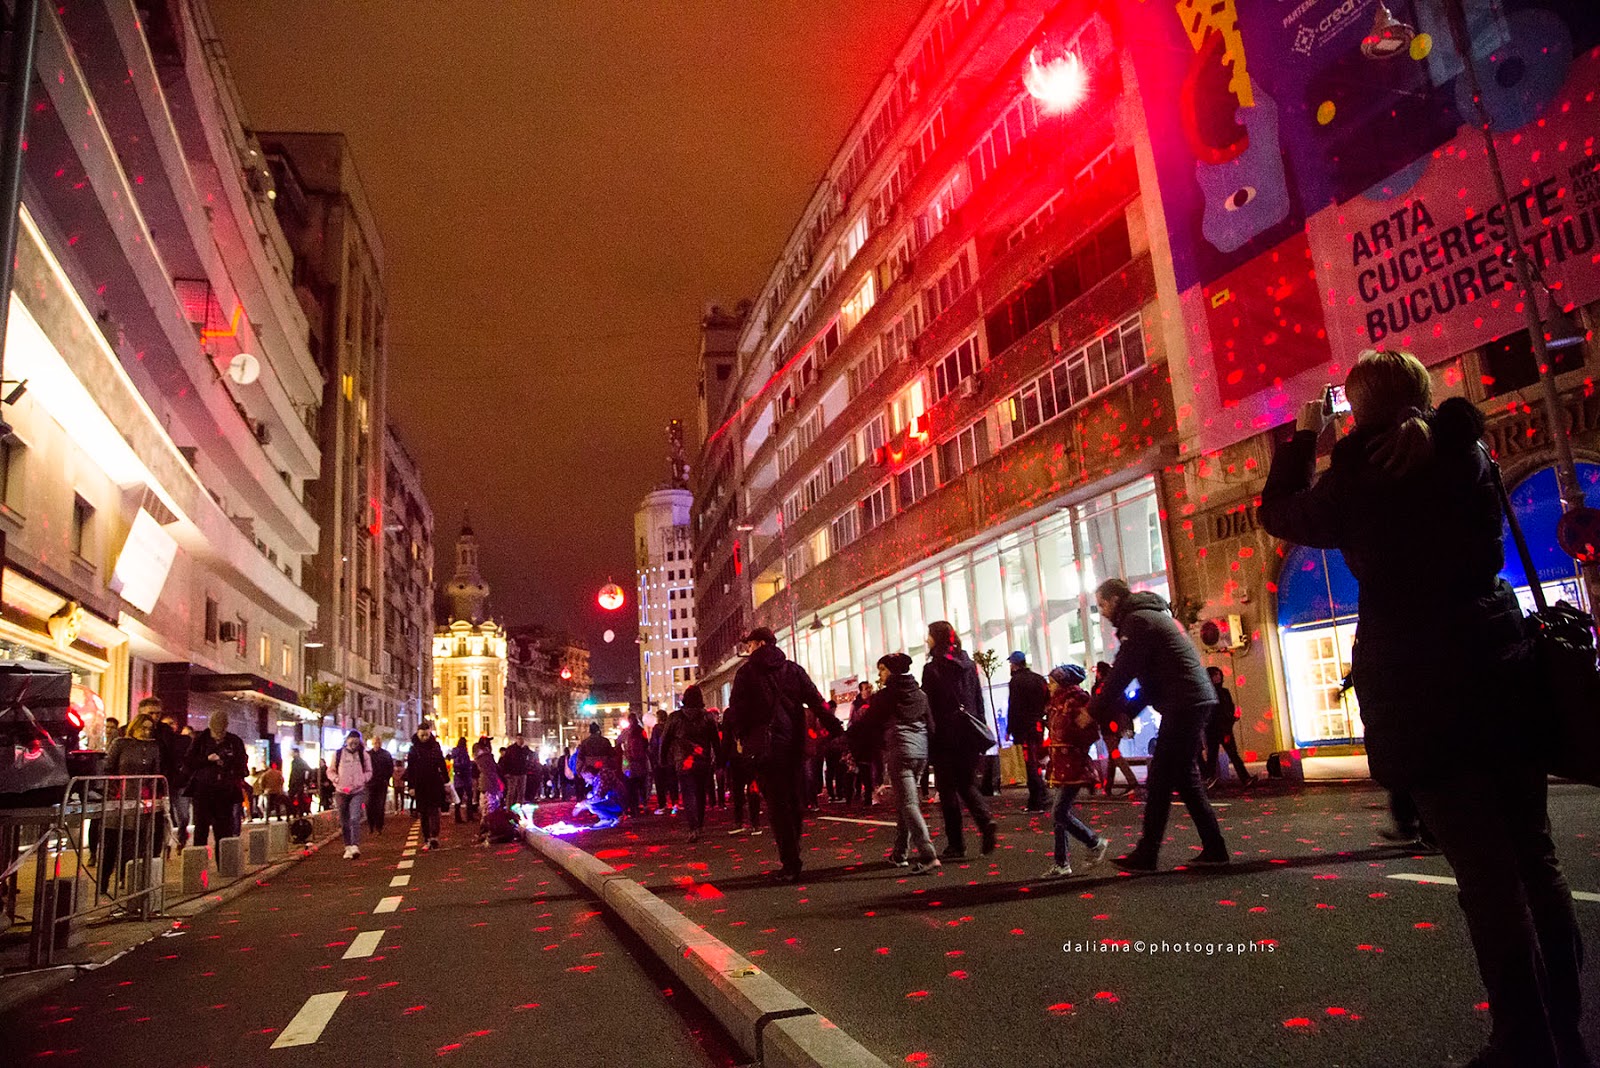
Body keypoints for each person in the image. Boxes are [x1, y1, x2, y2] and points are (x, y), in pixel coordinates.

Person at [1259, 349, 1587, 1068]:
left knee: (1486, 874)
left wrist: (1304, 437)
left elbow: (1278, 512)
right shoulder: (1466, 454)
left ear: (1357, 409)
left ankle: (1523, 1037)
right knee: (1535, 857)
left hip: (1424, 688)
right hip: (1501, 666)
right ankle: (1566, 1023)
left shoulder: (1359, 481)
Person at [1093, 580, 1229, 874]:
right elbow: (1149, 678)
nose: (1101, 612)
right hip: (1190, 699)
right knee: (1185, 779)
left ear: (1115, 599)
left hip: (1185, 701)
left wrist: (1094, 710)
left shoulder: (1137, 621)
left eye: (1102, 605)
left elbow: (1122, 671)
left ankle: (1148, 852)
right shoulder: (1150, 617)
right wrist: (1128, 711)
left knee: (1160, 777)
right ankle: (1214, 848)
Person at [727, 627, 837, 882]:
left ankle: (790, 861)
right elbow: (816, 700)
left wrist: (742, 736)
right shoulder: (793, 670)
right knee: (793, 800)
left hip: (765, 748)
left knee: (777, 805)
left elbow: (737, 710)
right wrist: (834, 727)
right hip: (794, 744)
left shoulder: (746, 673)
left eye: (751, 644)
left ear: (761, 643)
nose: (748, 649)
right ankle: (793, 852)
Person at [921, 621, 997, 860]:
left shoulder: (932, 668)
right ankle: (985, 821)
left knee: (947, 789)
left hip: (945, 735)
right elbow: (978, 697)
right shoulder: (970, 665)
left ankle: (956, 843)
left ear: (937, 638)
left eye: (929, 636)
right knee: (965, 783)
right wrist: (981, 724)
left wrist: (929, 734)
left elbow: (929, 706)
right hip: (969, 732)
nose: (927, 640)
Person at [859, 653, 938, 874]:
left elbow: (869, 724)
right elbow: (931, 726)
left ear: (892, 671)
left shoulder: (885, 696)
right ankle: (900, 852)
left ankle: (928, 853)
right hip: (920, 752)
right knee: (906, 802)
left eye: (882, 669)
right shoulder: (921, 695)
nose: (880, 674)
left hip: (899, 750)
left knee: (909, 804)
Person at [1040, 665, 1109, 879]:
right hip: (1060, 764)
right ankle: (1061, 863)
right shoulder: (1056, 704)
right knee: (1059, 815)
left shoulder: (1077, 700)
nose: (1049, 686)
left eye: (1052, 682)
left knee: (1059, 812)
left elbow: (1090, 731)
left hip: (1075, 764)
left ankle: (1094, 842)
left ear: (1062, 682)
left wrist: (1072, 743)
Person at [101, 712, 164, 895]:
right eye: (142, 728)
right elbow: (108, 767)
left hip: (141, 800)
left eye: (149, 729)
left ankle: (126, 878)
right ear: (134, 726)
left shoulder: (153, 747)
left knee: (134, 842)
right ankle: (104, 881)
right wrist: (111, 790)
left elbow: (155, 773)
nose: (145, 732)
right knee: (111, 843)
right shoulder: (121, 743)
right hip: (119, 798)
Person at [661, 686, 720, 841]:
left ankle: (693, 827)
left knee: (688, 793)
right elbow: (715, 741)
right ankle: (699, 825)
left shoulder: (674, 717)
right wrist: (719, 760)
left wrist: (662, 759)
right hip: (702, 760)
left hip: (683, 761)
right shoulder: (707, 717)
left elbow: (665, 740)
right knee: (700, 793)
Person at [185, 711, 248, 851]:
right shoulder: (200, 739)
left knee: (224, 830)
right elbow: (189, 761)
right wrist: (207, 760)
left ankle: (225, 867)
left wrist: (226, 763)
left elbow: (241, 763)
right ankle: (199, 867)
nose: (219, 734)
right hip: (203, 790)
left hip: (225, 791)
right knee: (201, 829)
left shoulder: (234, 741)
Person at [1004, 651, 1051, 811]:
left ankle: (1039, 798)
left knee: (1029, 764)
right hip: (1037, 725)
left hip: (1023, 728)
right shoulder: (1039, 679)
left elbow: (1014, 706)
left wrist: (1009, 729)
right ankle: (1039, 797)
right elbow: (1047, 701)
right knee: (1035, 761)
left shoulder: (1015, 681)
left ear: (1015, 664)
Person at [1089, 661, 1141, 796]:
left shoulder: (1100, 688)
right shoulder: (1116, 685)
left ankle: (1133, 782)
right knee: (1113, 754)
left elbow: (1097, 706)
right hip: (1118, 723)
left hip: (1107, 724)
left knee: (1115, 753)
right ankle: (1108, 786)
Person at [153, 704, 193, 849]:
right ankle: (166, 844)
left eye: (171, 723)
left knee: (183, 815)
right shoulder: (157, 742)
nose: (169, 727)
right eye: (166, 724)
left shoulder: (183, 741)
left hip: (180, 783)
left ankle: (182, 835)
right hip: (164, 783)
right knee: (165, 814)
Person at [405, 720, 449, 850]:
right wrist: (411, 786)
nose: (424, 738)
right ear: (418, 734)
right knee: (423, 812)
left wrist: (446, 780)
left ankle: (434, 836)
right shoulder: (413, 749)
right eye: (422, 735)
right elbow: (411, 769)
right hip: (420, 784)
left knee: (434, 810)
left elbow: (441, 762)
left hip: (434, 782)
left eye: (426, 735)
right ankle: (427, 838)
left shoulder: (435, 746)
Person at [329, 730, 372, 858]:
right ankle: (347, 846)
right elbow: (330, 771)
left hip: (357, 791)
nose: (354, 743)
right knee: (344, 821)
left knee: (354, 818)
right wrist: (336, 779)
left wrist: (362, 779)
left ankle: (355, 845)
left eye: (356, 740)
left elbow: (369, 771)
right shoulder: (338, 754)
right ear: (347, 740)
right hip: (341, 791)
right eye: (351, 740)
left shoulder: (363, 755)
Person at [617, 713, 650, 818]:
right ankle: (644, 804)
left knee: (631, 786)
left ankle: (634, 807)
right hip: (641, 762)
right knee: (642, 785)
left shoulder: (626, 732)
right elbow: (646, 744)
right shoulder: (642, 731)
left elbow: (618, 741)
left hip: (629, 763)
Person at [473, 739, 505, 842]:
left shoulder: (481, 758)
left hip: (486, 786)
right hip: (490, 786)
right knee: (489, 809)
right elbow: (494, 772)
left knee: (486, 809)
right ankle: (487, 832)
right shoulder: (486, 758)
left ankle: (485, 832)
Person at [367, 741, 395, 833]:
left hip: (381, 783)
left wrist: (386, 778)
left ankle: (379, 826)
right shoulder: (368, 754)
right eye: (374, 743)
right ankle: (371, 825)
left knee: (380, 805)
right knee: (370, 805)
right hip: (370, 783)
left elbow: (390, 768)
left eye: (377, 743)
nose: (376, 745)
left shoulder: (385, 754)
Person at [451, 737, 475, 822]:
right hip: (465, 777)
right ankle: (469, 816)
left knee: (459, 798)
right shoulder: (463, 752)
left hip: (458, 779)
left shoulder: (455, 752)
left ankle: (458, 817)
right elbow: (465, 764)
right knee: (469, 796)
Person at [286, 748, 312, 816]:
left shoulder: (300, 762)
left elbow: (309, 770)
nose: (292, 754)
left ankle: (297, 812)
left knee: (297, 798)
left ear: (296, 753)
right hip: (295, 783)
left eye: (293, 753)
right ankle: (297, 812)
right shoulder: (295, 761)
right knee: (296, 798)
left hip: (297, 783)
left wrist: (305, 780)